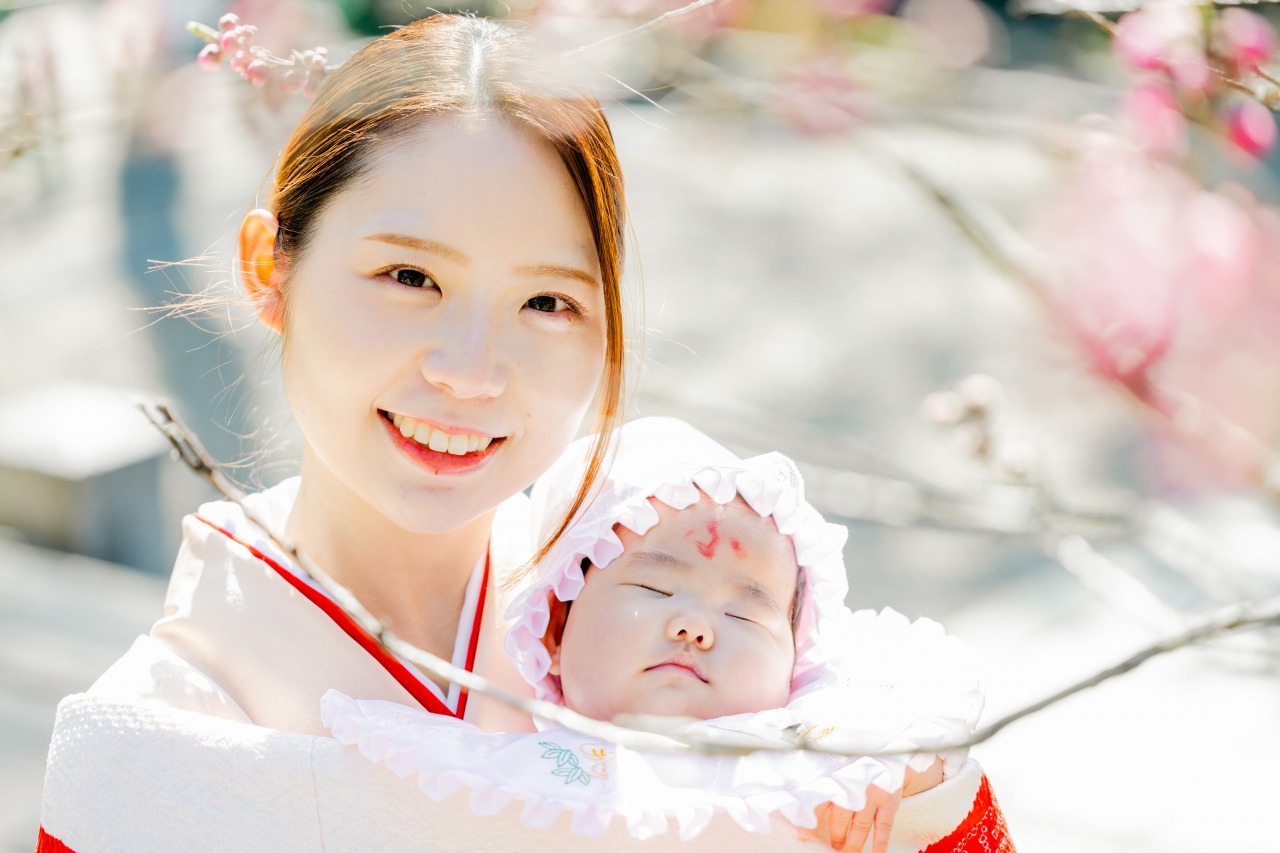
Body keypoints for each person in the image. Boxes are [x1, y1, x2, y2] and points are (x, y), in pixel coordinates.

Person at [39, 13, 1011, 853]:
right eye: (409, 278)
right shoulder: (158, 739)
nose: (471, 371)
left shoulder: (665, 605)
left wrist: (902, 799)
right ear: (270, 267)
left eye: (545, 301)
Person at [324, 417, 1000, 852]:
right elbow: (420, 790)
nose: (695, 625)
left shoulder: (816, 754)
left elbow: (918, 707)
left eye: (745, 613)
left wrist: (898, 771)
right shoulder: (538, 771)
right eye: (653, 589)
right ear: (555, 625)